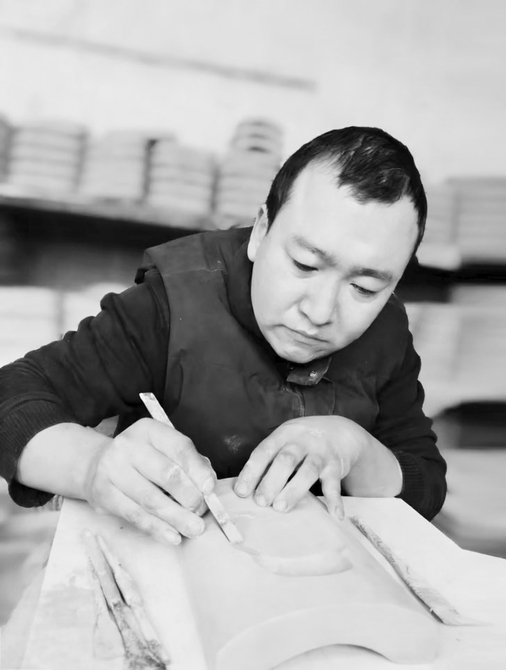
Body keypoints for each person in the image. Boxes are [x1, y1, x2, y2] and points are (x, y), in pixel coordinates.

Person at [0, 126, 447, 546]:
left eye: (364, 288)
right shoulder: (172, 302)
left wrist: (356, 448)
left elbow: (426, 482)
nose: (320, 312)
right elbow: (12, 395)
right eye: (305, 265)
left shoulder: (386, 334)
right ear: (261, 231)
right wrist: (92, 465)